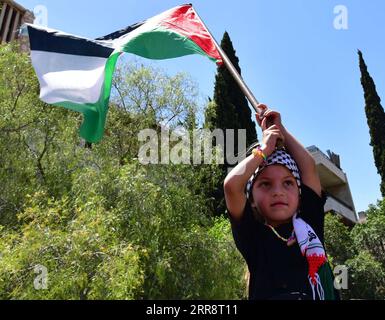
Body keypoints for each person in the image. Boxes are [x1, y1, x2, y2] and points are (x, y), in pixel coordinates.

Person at [223, 105, 339, 300]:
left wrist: (280, 130)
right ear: (251, 200)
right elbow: (231, 186)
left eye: (288, 183)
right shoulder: (253, 236)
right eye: (266, 184)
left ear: (300, 194)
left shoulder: (309, 225)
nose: (278, 192)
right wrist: (264, 149)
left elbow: (308, 166)